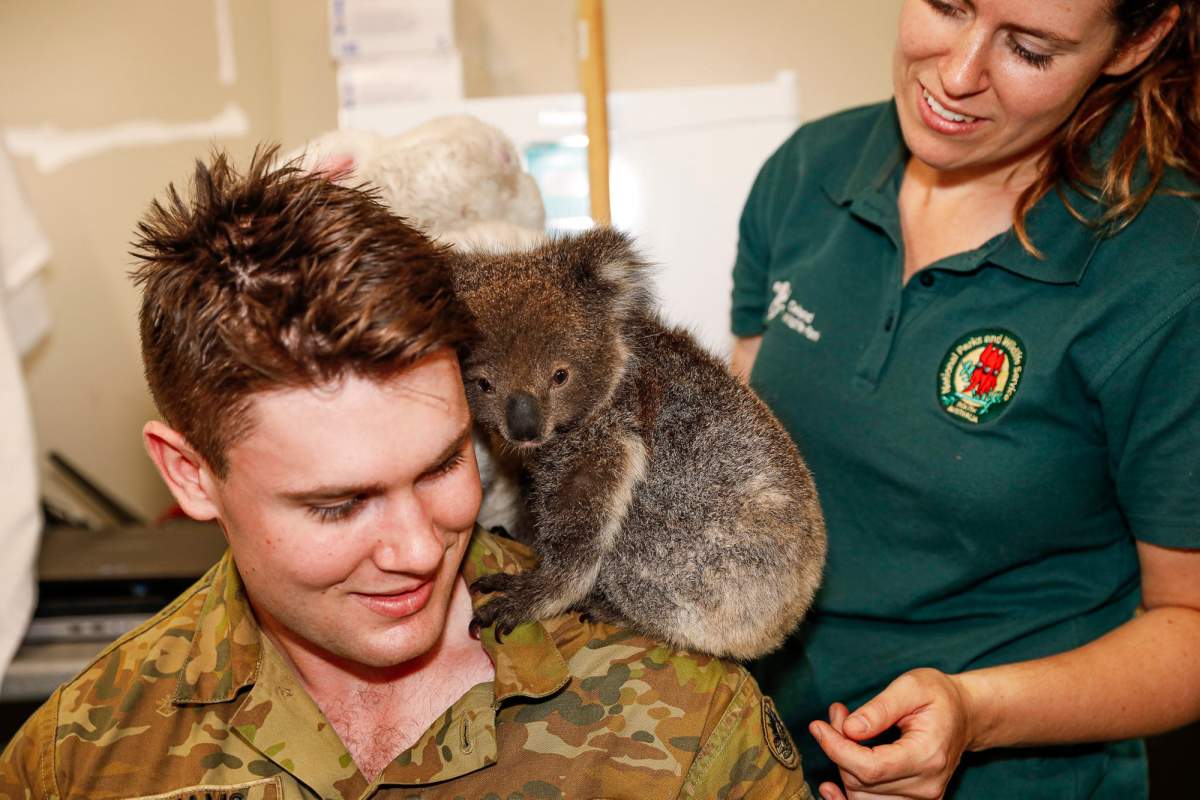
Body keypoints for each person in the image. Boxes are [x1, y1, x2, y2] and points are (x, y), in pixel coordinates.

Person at [0, 148, 812, 799]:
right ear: (189, 476)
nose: (418, 549)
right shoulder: (78, 759)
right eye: (338, 505)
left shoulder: (684, 719)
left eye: (443, 464)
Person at [730, 1, 1200, 799]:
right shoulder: (809, 172)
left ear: (1140, 39)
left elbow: (1188, 628)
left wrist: (972, 710)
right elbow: (732, 461)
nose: (956, 74)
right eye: (948, 4)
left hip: (1012, 773)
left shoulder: (1167, 273)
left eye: (1030, 49)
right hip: (758, 751)